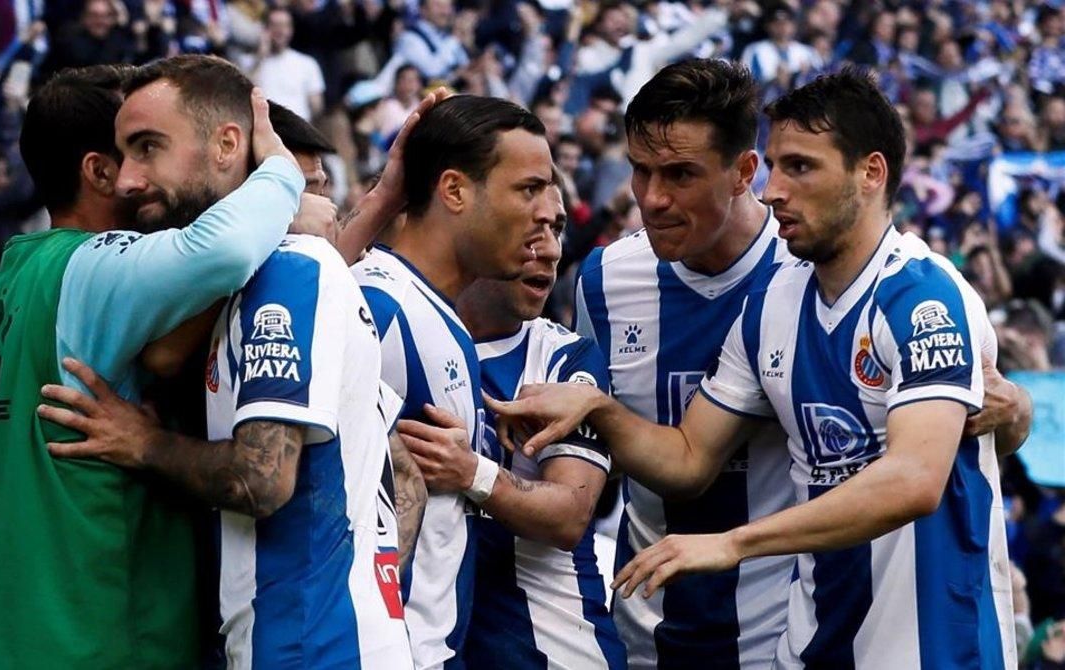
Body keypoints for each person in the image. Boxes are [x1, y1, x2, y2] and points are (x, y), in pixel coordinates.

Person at [491, 68, 1024, 669]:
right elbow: (691, 457)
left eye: (799, 167)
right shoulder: (768, 302)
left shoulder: (922, 295)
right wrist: (598, 411)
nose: (775, 191)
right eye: (641, 171)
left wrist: (732, 544)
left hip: (923, 645)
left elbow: (917, 478)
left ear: (870, 172)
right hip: (780, 638)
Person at [34, 54, 414, 670]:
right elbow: (405, 477)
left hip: (309, 645)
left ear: (228, 147)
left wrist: (144, 444)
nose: (128, 179)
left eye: (148, 148)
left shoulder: (290, 269)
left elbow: (260, 478)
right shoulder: (263, 279)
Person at [0, 62, 309, 670]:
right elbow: (224, 250)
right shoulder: (92, 269)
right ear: (99, 171)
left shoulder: (6, 287)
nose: (143, 176)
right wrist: (281, 177)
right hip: (88, 641)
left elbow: (170, 345)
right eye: (132, 151)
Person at [572, 59, 795, 670]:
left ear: (744, 172)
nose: (652, 198)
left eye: (680, 174)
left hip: (787, 632)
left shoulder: (805, 278)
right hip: (647, 632)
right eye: (640, 171)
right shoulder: (604, 282)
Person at [351, 93, 555, 668]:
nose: (545, 212)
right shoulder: (377, 305)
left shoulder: (442, 316)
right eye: (528, 188)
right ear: (455, 191)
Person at [400, 182, 626, 667]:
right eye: (531, 229)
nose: (548, 250)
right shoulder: (402, 329)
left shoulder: (565, 358)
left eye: (558, 229)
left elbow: (570, 513)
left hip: (552, 651)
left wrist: (471, 473)